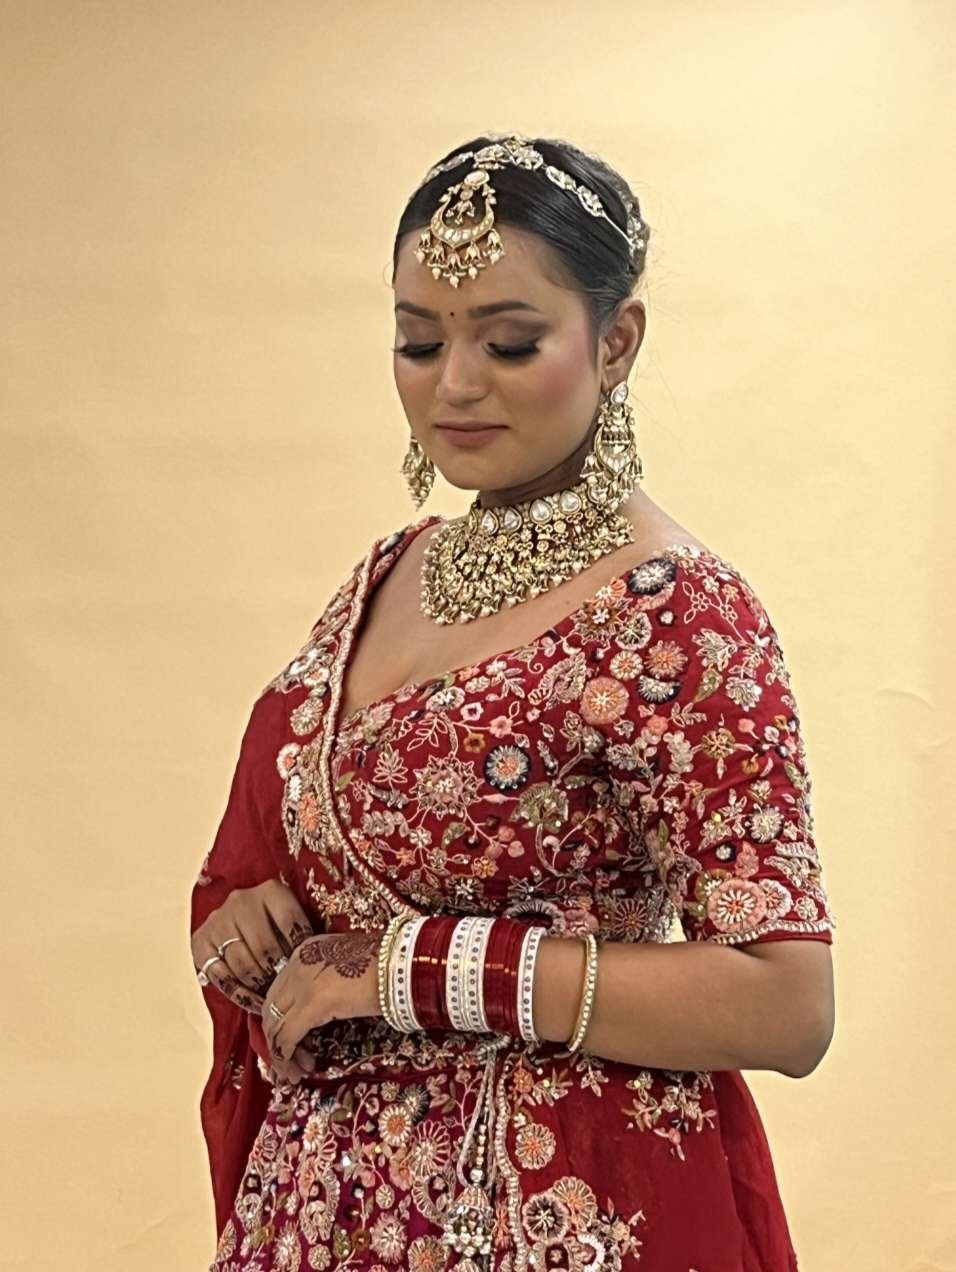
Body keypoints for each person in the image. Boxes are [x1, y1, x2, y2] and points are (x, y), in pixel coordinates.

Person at [190, 132, 835, 1272]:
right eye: (417, 341)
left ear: (616, 341)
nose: (453, 383)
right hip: (322, 1211)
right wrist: (243, 924)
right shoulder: (385, 574)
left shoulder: (679, 613)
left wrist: (412, 969)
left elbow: (785, 1003)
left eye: (508, 342)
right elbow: (286, 859)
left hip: (555, 1202)